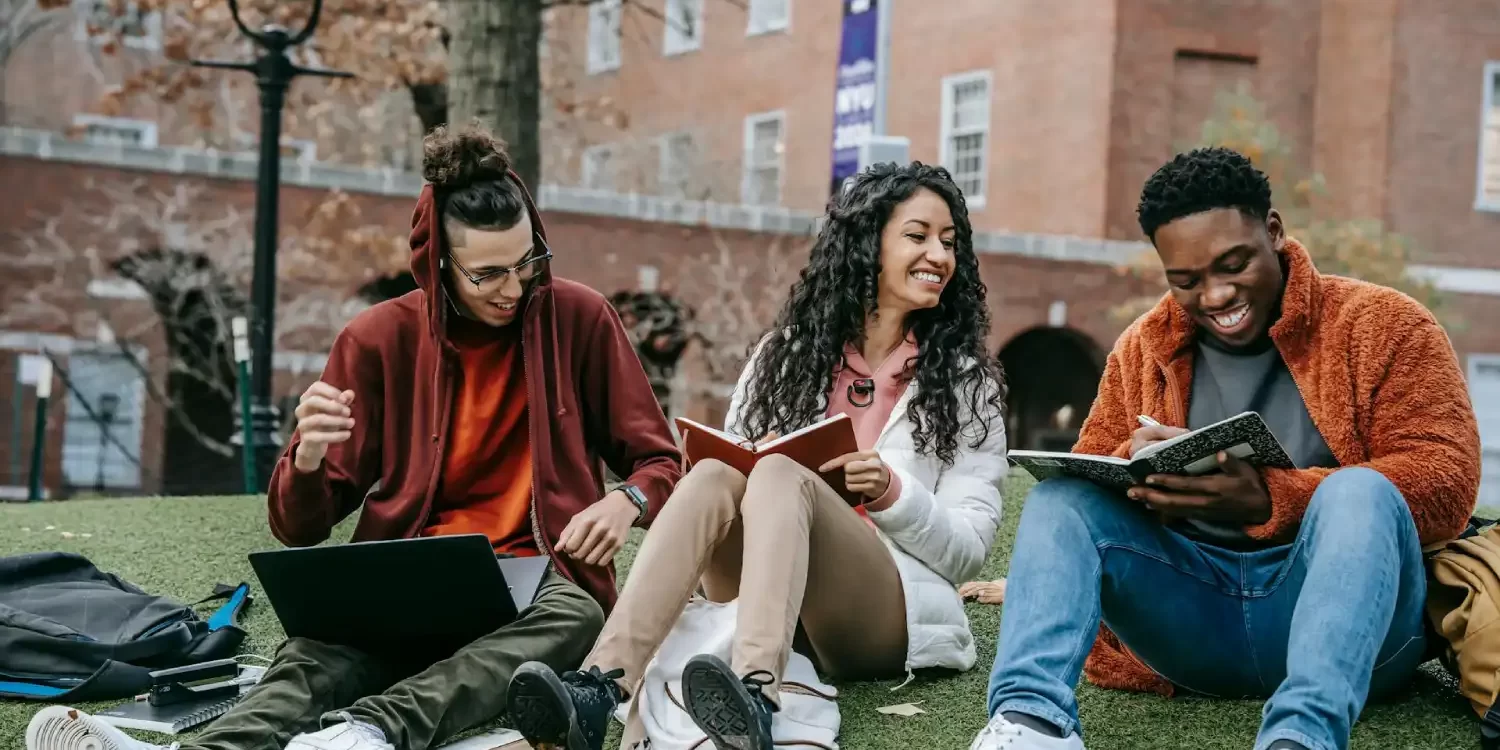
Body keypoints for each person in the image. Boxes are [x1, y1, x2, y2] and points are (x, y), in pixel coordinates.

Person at [24, 123, 684, 750]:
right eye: (487, 274)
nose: (514, 287)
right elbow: (298, 526)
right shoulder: (376, 339)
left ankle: (367, 733)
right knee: (312, 658)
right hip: (407, 570)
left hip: (538, 578)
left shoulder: (581, 318)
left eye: (526, 262)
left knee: (578, 619)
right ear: (439, 264)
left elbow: (659, 458)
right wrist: (307, 458)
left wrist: (627, 500)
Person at [970, 146, 1481, 750]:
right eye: (1185, 281)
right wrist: (1144, 480)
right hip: (1192, 623)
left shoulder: (1387, 325)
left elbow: (1445, 479)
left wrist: (1272, 497)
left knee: (1362, 491)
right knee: (1062, 500)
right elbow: (1097, 470)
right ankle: (1031, 723)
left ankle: (1302, 736)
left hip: (1351, 631)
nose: (1213, 296)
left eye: (1232, 265)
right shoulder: (1142, 346)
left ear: (1273, 232)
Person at [503, 161, 1011, 750]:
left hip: (880, 614)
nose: (939, 256)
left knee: (778, 471)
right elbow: (733, 476)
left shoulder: (965, 384)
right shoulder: (783, 356)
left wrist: (892, 493)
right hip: (763, 595)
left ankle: (755, 695)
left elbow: (970, 550)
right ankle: (599, 687)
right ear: (866, 244)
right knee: (719, 471)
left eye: (949, 242)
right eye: (918, 235)